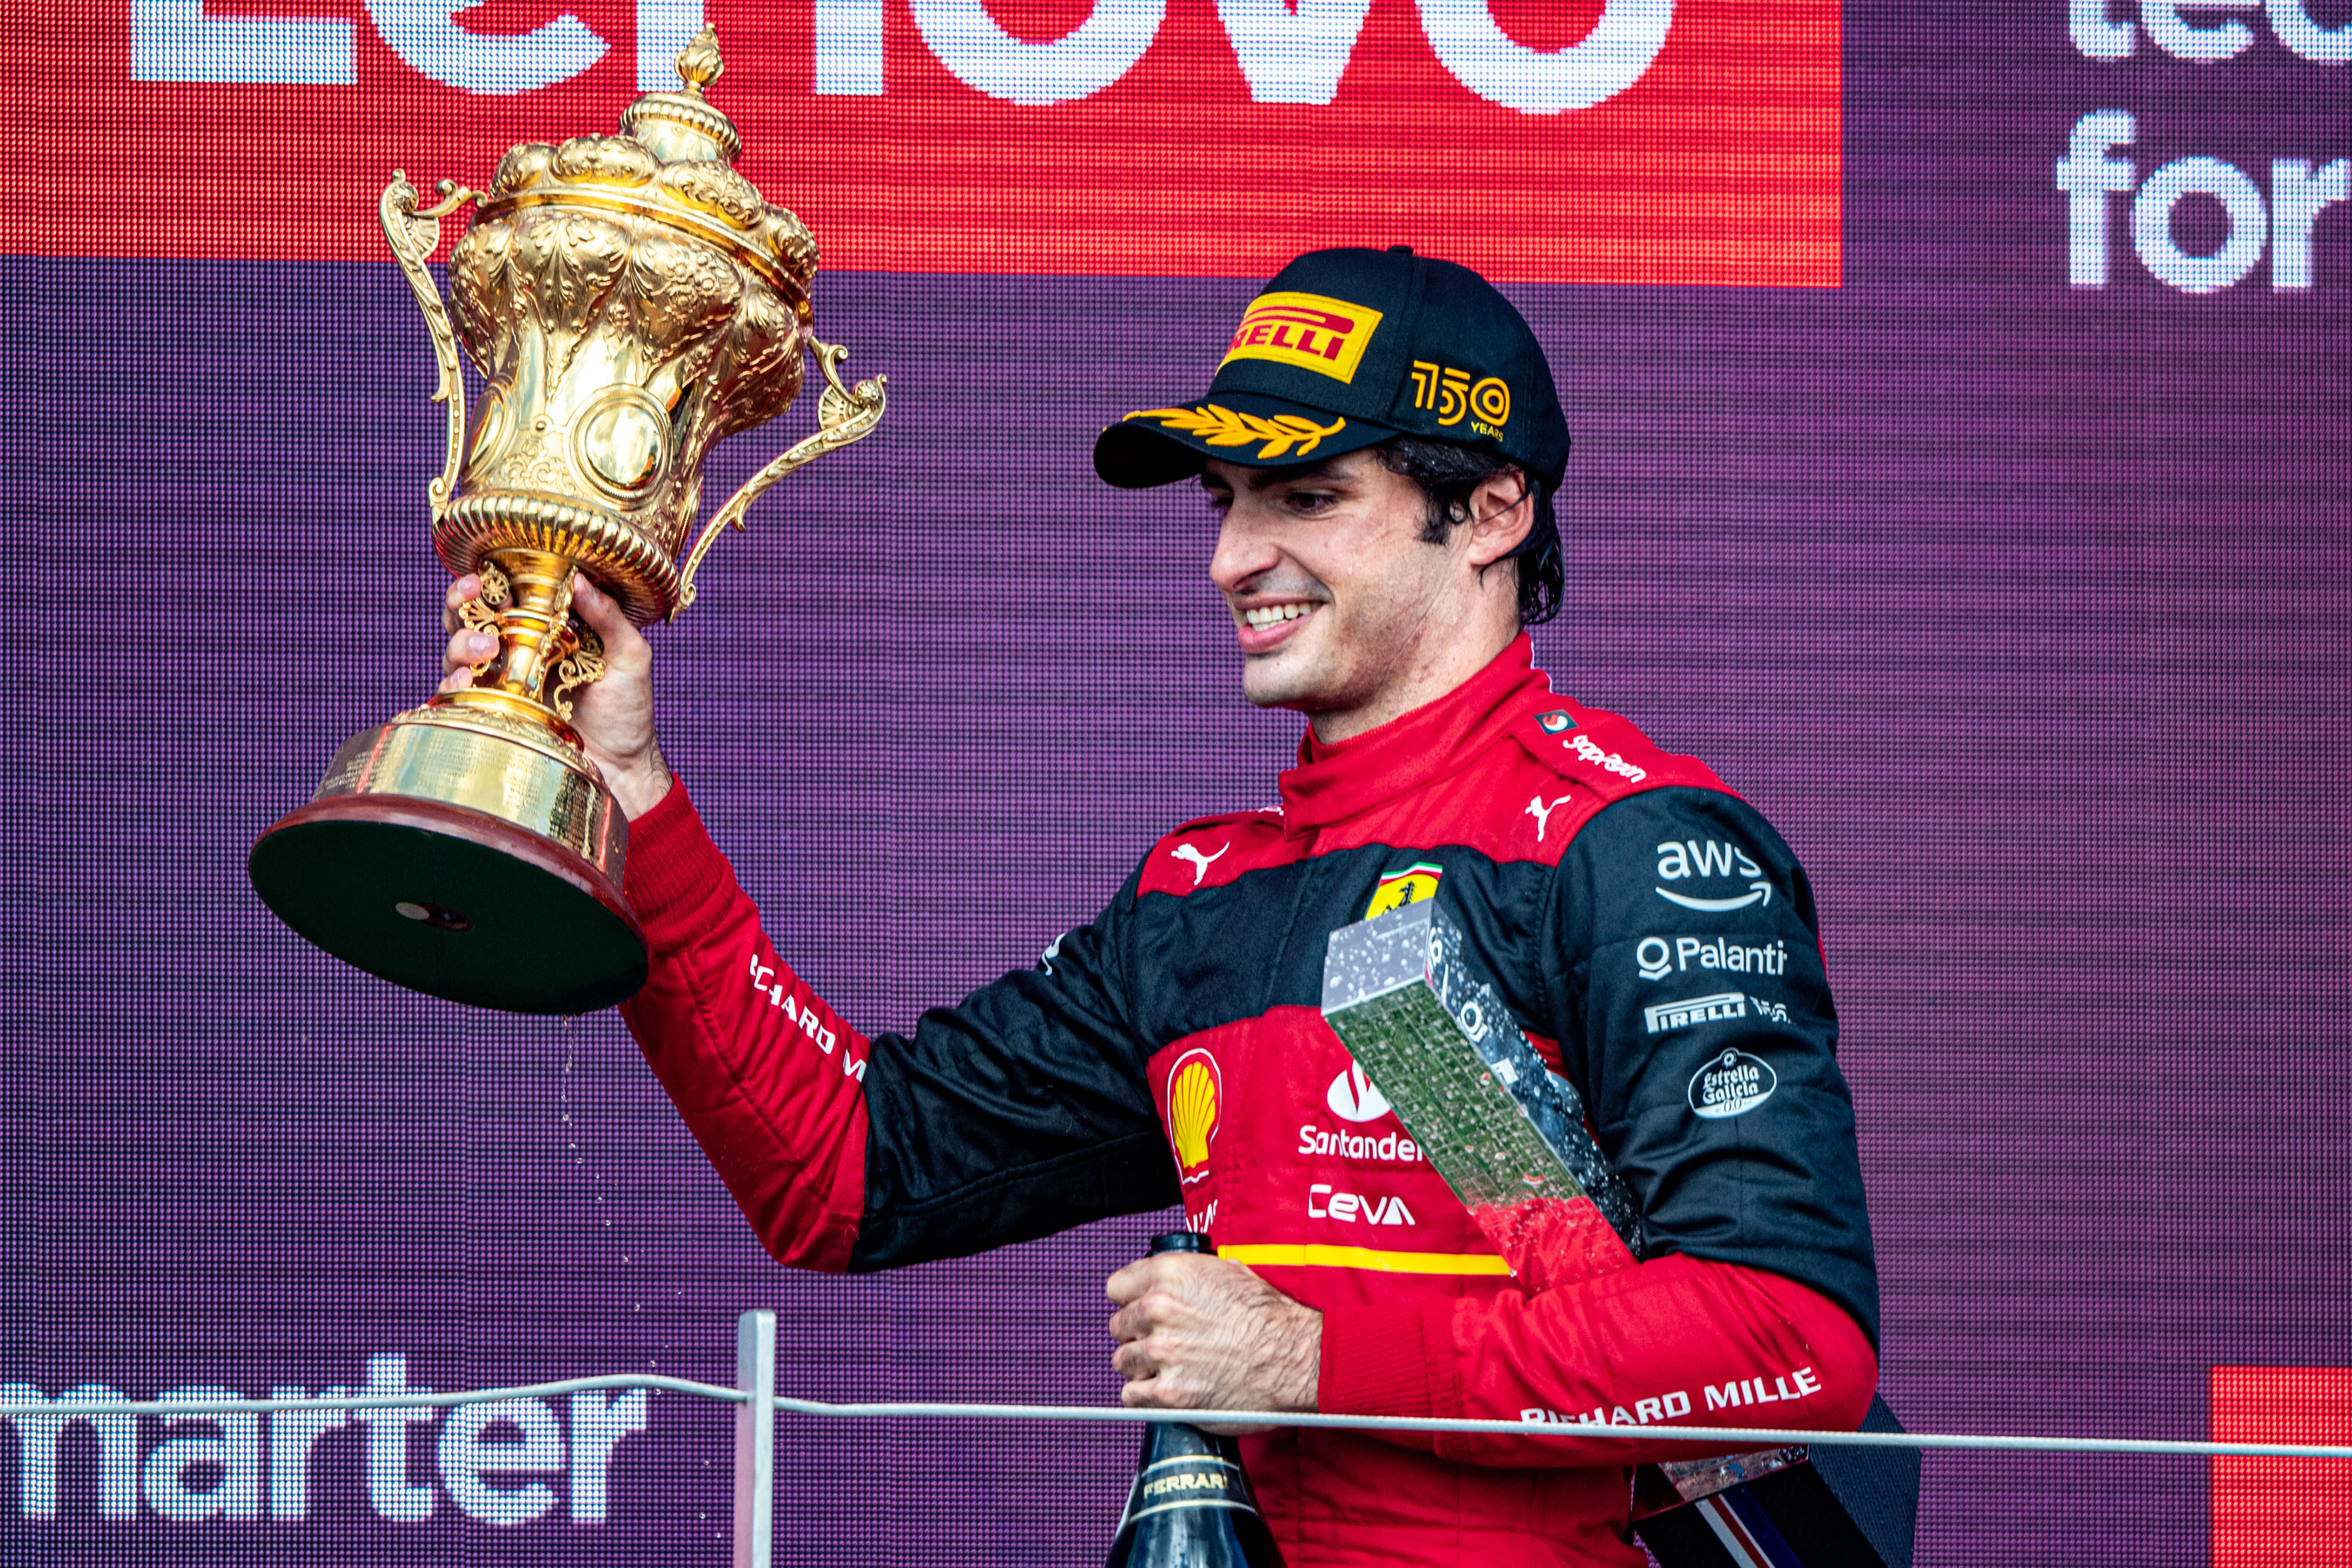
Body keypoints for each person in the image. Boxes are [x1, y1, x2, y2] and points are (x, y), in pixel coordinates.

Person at [441, 248, 1881, 1567]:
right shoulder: (1208, 896)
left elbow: (1788, 1340)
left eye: (1306, 496)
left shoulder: (1630, 845)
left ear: (1492, 508)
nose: (1232, 557)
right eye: (1226, 502)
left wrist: (1312, 1358)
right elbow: (842, 1168)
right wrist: (628, 794)